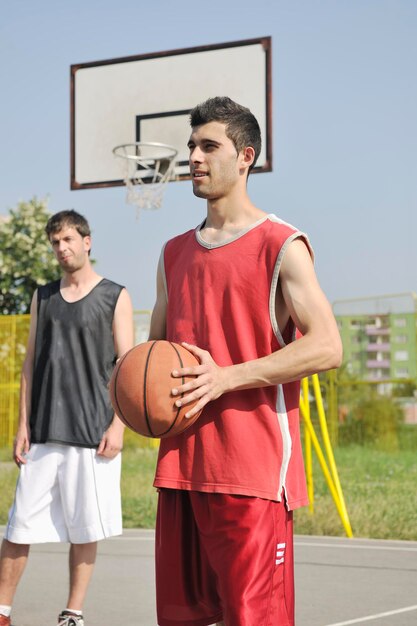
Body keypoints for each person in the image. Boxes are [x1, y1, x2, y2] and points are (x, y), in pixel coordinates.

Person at [148, 96, 343, 626]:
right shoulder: (172, 253)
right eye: (192, 146)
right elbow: (156, 358)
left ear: (245, 157)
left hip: (251, 473)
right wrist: (137, 393)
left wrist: (226, 377)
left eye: (209, 146)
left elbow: (327, 345)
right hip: (181, 469)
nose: (195, 157)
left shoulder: (281, 244)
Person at [0, 210, 134, 626]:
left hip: (93, 433)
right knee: (18, 527)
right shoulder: (43, 296)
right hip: (42, 432)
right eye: (55, 242)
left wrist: (118, 425)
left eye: (69, 240)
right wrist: (23, 425)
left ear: (87, 241)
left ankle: (72, 612)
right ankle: (2, 610)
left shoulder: (115, 295)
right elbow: (29, 365)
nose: (62, 248)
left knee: (83, 529)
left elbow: (127, 368)